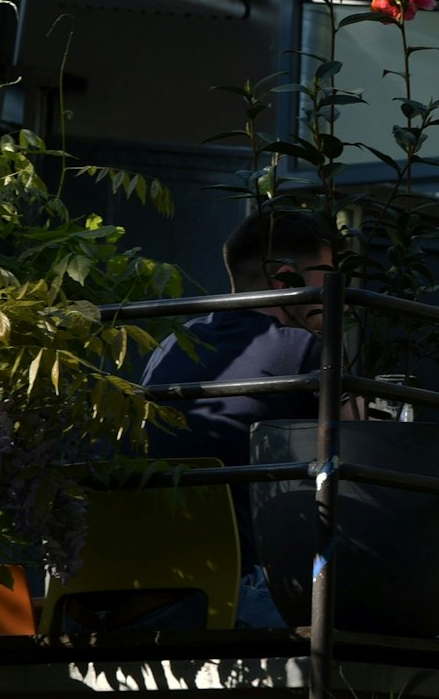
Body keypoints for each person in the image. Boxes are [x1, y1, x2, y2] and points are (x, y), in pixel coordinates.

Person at [138, 209, 334, 629]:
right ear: (285, 279)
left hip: (143, 589)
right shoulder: (302, 350)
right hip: (238, 597)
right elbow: (353, 466)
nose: (331, 293)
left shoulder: (172, 345)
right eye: (326, 278)